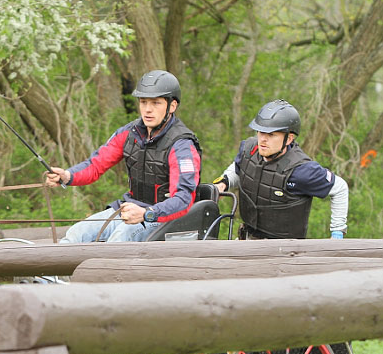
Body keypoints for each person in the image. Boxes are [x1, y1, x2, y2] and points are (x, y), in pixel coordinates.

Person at [44, 70, 202, 242]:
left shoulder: (182, 145)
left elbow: (184, 199)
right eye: (143, 102)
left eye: (156, 103)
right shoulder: (129, 133)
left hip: (161, 219)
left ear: (172, 106)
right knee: (76, 233)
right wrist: (67, 176)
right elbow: (96, 164)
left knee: (117, 242)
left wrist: (147, 213)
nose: (148, 110)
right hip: (128, 209)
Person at [214, 99, 348, 239]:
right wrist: (224, 182)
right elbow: (238, 169)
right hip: (247, 240)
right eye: (261, 132)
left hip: (285, 251)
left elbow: (340, 188)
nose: (263, 140)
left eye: (271, 135)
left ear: (289, 139)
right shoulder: (250, 149)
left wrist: (337, 232)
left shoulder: (302, 171)